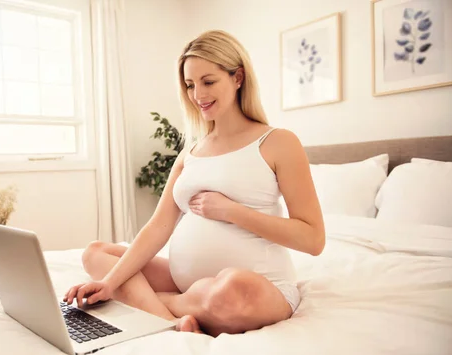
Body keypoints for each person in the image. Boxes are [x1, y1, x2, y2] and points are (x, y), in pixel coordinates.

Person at [64, 30, 325, 337]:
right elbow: (159, 227)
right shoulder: (190, 151)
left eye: (208, 81)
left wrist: (232, 211)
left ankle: (150, 305)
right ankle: (175, 320)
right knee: (95, 254)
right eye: (190, 85)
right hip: (186, 282)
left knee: (231, 291)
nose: (198, 94)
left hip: (255, 289)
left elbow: (313, 239)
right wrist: (109, 282)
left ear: (238, 77)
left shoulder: (277, 142)